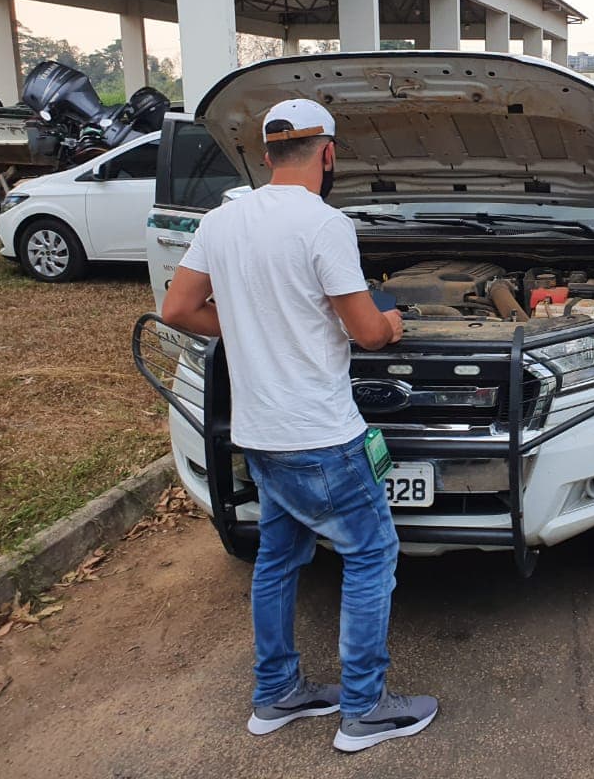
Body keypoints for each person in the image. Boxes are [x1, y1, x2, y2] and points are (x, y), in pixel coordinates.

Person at [161, 98, 438, 753]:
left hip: (260, 435)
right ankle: (365, 708)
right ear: (329, 153)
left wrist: (249, 329)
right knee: (372, 554)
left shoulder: (222, 222)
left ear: (265, 154)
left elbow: (177, 307)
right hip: (321, 436)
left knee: (279, 558)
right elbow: (368, 332)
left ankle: (277, 694)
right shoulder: (324, 224)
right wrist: (393, 323)